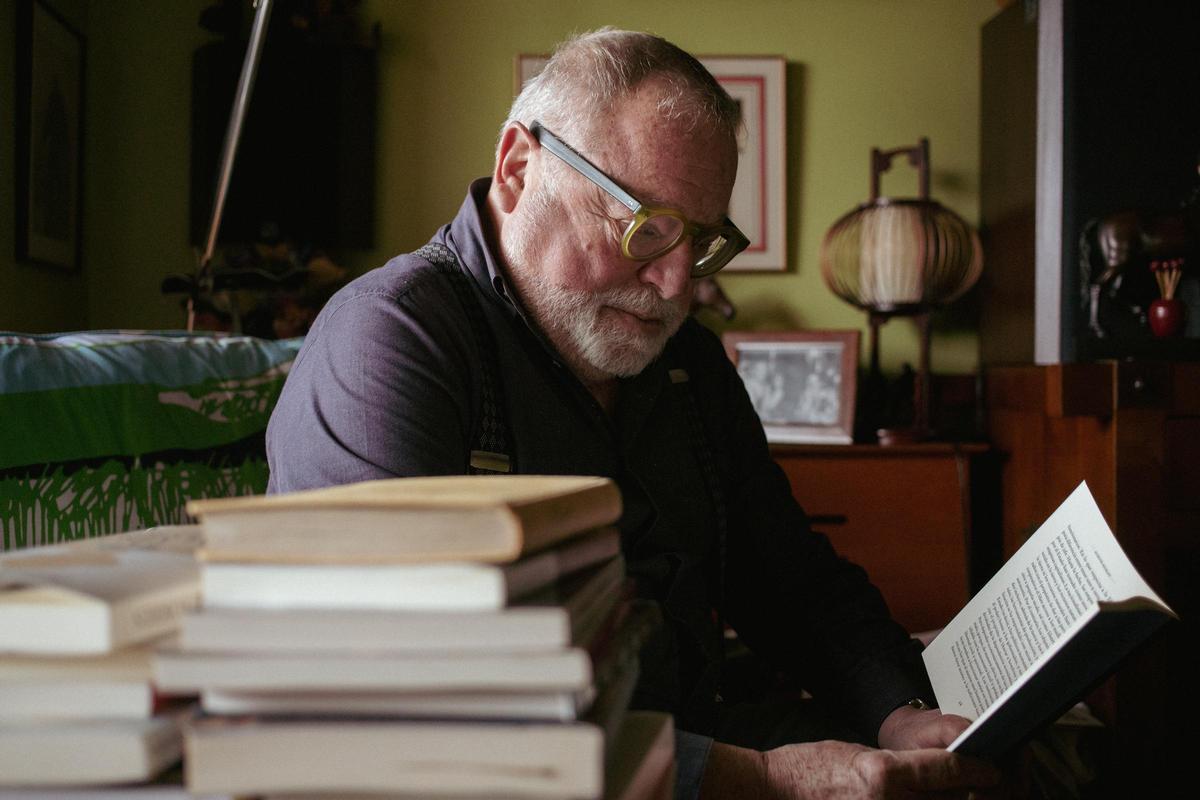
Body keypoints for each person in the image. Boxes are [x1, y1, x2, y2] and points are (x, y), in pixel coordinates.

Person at [266, 28, 1003, 799]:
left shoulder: (689, 364)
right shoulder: (392, 341)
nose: (677, 282)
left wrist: (898, 711)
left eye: (704, 241)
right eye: (645, 227)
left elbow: (792, 580)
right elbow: (400, 690)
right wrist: (763, 781)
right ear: (520, 168)